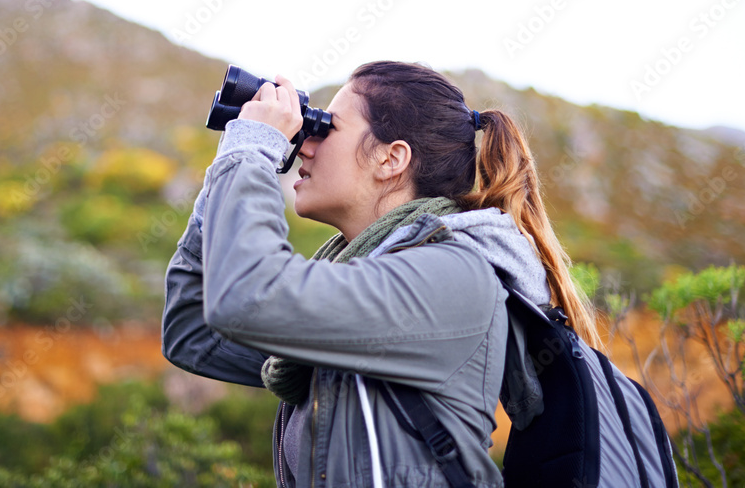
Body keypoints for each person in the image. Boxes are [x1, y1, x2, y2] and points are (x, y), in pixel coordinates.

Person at [162, 60, 600, 487]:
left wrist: (253, 149)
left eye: (325, 128)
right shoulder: (368, 280)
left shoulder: (451, 276)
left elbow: (248, 297)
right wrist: (228, 170)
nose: (304, 146)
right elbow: (194, 332)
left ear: (391, 159)